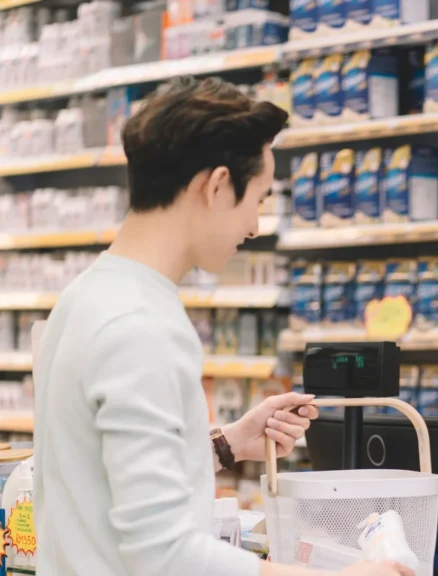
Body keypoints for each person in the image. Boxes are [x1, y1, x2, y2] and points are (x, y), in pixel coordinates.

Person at [32, 76, 411, 576]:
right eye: (256, 199)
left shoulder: (87, 297)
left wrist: (225, 445)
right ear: (215, 186)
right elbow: (164, 557)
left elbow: (98, 479)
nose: (255, 227)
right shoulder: (142, 327)